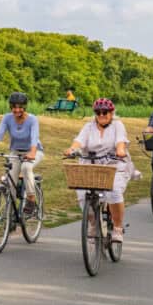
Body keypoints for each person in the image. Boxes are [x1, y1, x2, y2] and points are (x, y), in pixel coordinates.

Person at [63, 98, 130, 243]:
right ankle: (93, 224)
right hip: (90, 165)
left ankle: (118, 228)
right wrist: (72, 149)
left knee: (114, 191)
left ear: (111, 113)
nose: (101, 115)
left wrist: (120, 150)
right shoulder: (89, 126)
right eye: (98, 112)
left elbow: (120, 141)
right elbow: (79, 141)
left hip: (113, 164)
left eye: (105, 112)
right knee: (82, 194)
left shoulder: (118, 125)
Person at [0, 92, 43, 215]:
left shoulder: (32, 120)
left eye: (20, 107)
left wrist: (32, 153)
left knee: (26, 168)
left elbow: (34, 138)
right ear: (11, 107)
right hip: (16, 152)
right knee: (11, 183)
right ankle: (11, 215)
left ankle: (31, 199)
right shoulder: (7, 118)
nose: (17, 110)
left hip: (34, 151)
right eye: (14, 107)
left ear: (25, 107)